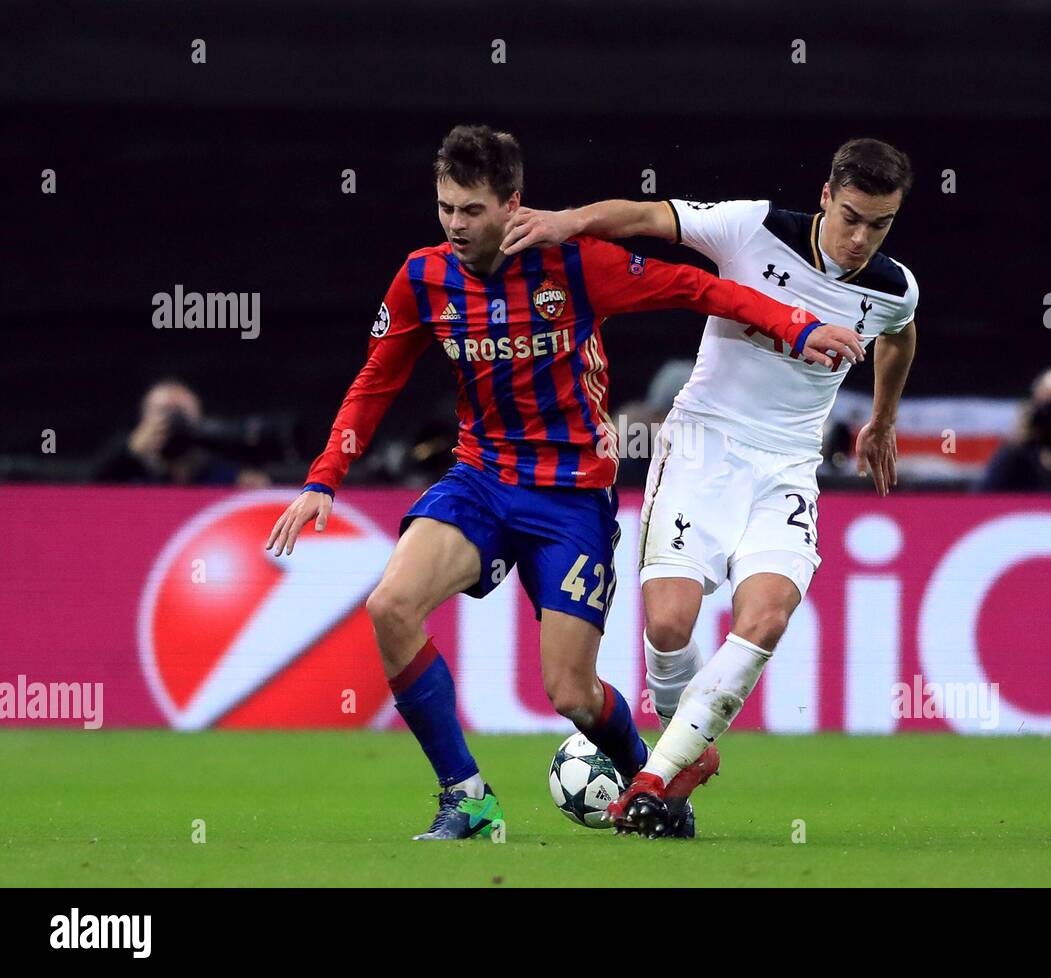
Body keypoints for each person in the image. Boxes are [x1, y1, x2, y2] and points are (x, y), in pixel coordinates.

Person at [264, 124, 865, 841]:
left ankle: (659, 779)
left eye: (472, 210)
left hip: (571, 495)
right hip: (480, 478)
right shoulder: (423, 277)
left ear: (512, 204)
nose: (456, 225)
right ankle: (468, 798)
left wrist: (796, 327)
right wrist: (324, 479)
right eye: (446, 207)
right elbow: (375, 381)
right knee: (391, 604)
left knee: (571, 694)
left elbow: (698, 287)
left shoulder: (574, 266)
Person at [501, 136, 918, 836]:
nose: (860, 238)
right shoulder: (751, 228)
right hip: (702, 446)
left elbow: (900, 337)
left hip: (787, 466)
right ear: (825, 195)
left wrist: (881, 421)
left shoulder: (892, 287)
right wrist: (565, 222)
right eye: (851, 217)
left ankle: (658, 780)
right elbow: (643, 218)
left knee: (767, 616)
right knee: (667, 624)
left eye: (879, 225)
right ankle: (680, 742)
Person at [93, 379, 267, 487]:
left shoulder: (227, 467)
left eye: (181, 414)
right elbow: (87, 495)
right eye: (164, 412)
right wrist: (129, 450)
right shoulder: (126, 470)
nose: (174, 424)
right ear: (144, 419)